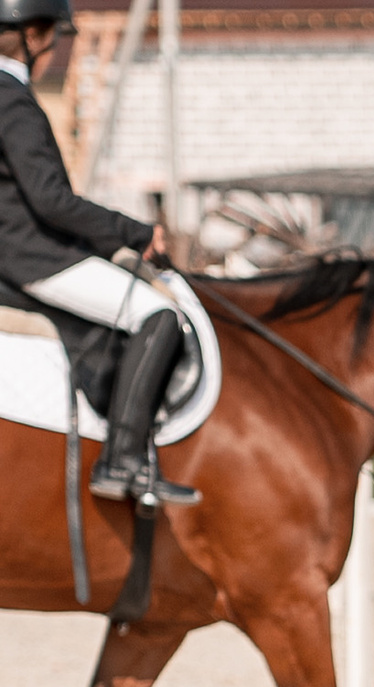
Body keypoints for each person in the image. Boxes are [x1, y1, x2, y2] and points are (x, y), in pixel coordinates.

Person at [0, 0, 196, 505]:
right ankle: (123, 461)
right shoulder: (12, 99)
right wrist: (133, 233)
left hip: (17, 252)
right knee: (159, 315)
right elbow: (49, 199)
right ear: (36, 34)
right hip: (31, 257)